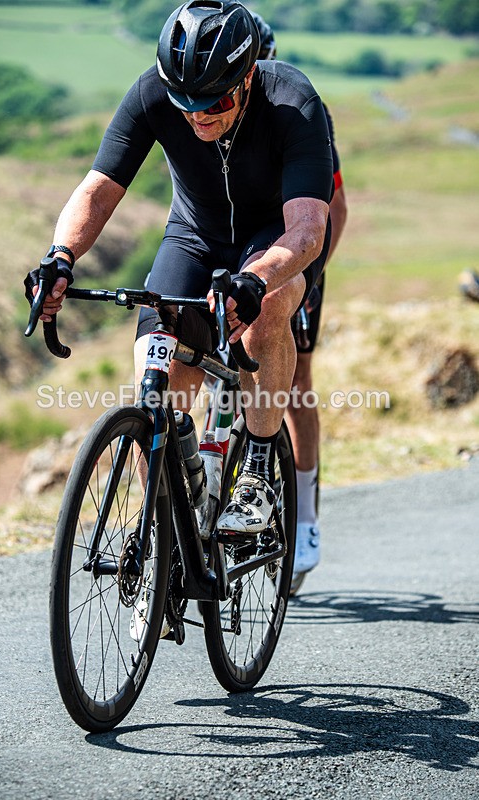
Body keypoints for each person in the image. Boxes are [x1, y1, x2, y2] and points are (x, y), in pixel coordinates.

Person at [26, 0, 334, 540]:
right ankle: (164, 541)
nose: (196, 115)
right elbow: (99, 189)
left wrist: (257, 280)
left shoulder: (293, 101)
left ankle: (258, 467)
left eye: (212, 101)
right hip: (194, 237)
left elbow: (308, 230)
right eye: (184, 101)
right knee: (159, 380)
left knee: (268, 311)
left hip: (271, 240)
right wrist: (60, 257)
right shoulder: (150, 92)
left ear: (247, 76)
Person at [251, 12, 348, 588]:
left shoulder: (299, 108)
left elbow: (336, 204)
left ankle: (306, 515)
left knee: (297, 380)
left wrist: (310, 276)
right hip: (238, 244)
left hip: (297, 251)